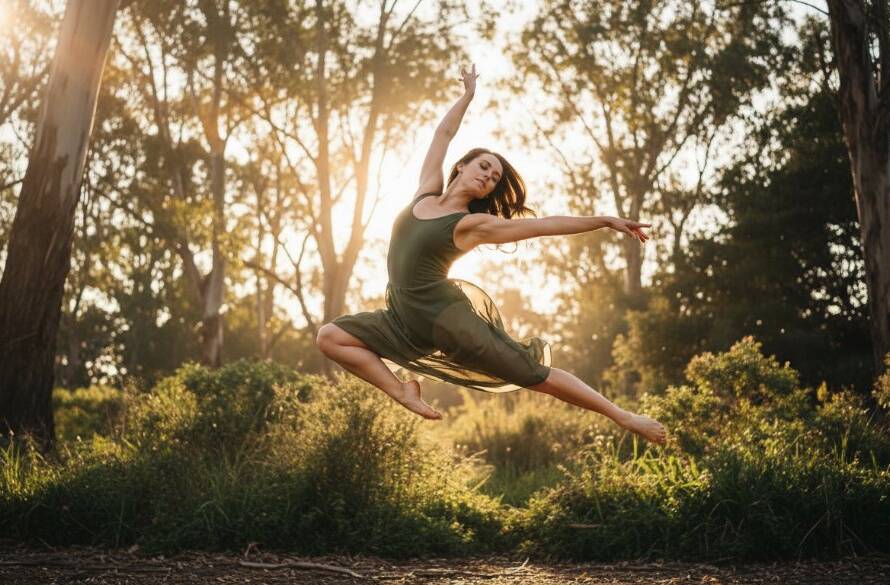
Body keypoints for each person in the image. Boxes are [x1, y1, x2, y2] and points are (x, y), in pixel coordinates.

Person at [316, 64, 666, 444]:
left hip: (446, 320)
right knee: (331, 336)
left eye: (495, 178)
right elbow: (442, 134)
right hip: (401, 316)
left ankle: (624, 417)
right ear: (462, 166)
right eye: (484, 166)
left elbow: (542, 225)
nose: (488, 176)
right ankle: (402, 391)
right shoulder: (426, 191)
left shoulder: (471, 224)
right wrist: (466, 97)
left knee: (535, 375)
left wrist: (602, 220)